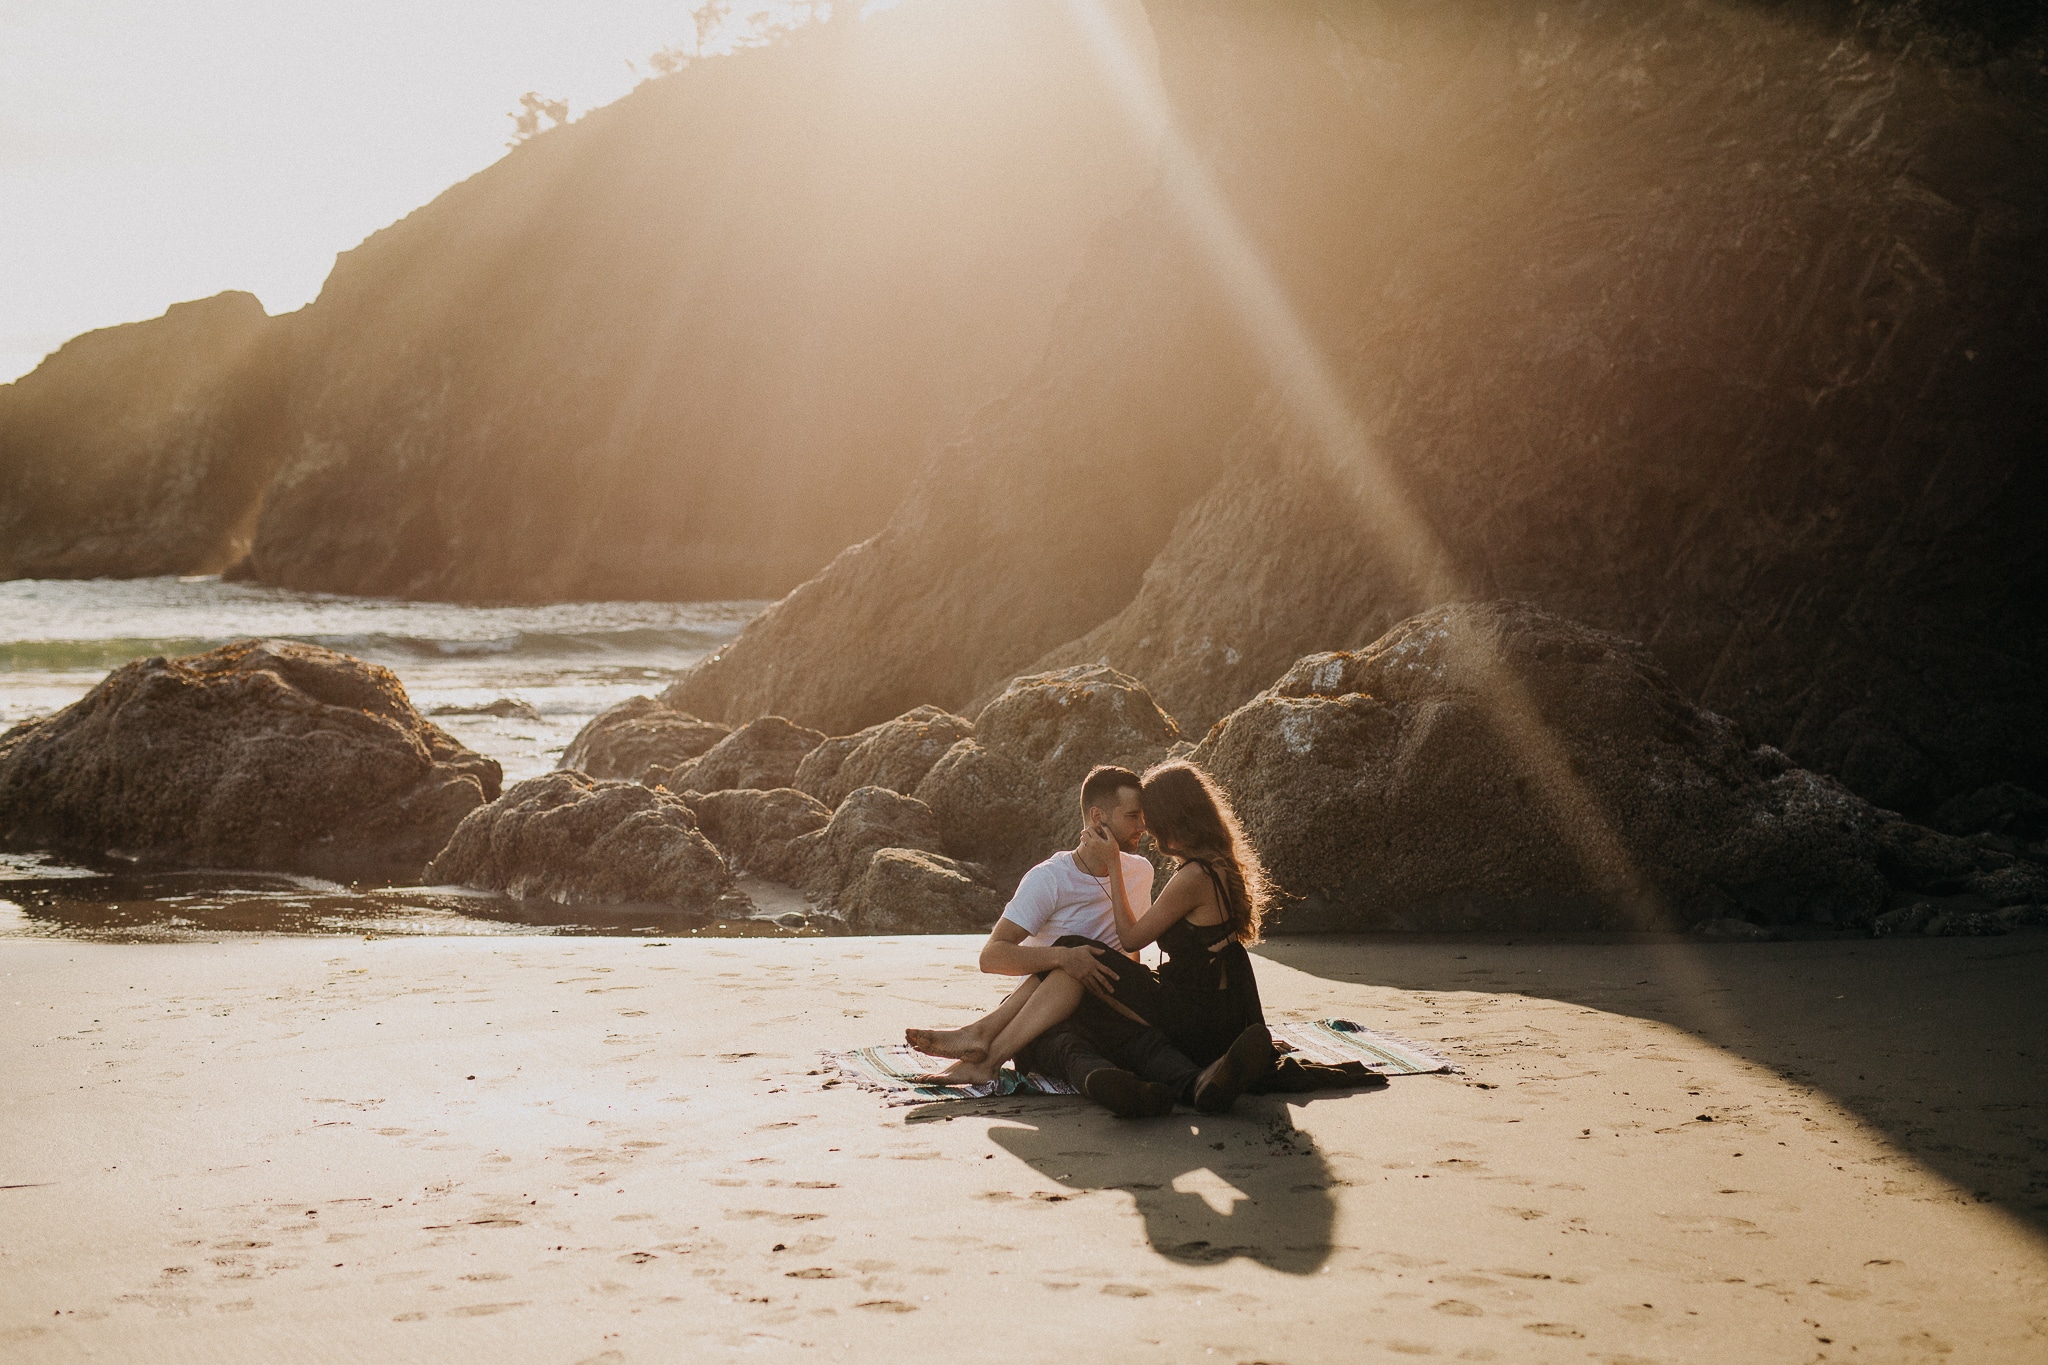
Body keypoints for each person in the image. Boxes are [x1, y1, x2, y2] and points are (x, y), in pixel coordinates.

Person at [904, 764, 1272, 1117]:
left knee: (1078, 960)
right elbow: (991, 958)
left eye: (1148, 815)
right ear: (1099, 819)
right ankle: (997, 1045)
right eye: (1134, 816)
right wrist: (1066, 961)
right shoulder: (1048, 878)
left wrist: (1101, 979)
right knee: (1071, 965)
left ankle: (984, 1046)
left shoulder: (1144, 872)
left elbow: (1131, 946)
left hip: (1130, 995)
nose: (1145, 826)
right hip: (1034, 1010)